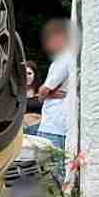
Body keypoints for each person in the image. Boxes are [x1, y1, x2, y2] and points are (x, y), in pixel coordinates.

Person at [33, 19, 72, 178]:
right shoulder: (73, 58)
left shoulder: (63, 59)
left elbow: (43, 91)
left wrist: (44, 93)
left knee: (49, 174)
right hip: (63, 124)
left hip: (53, 124)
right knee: (59, 171)